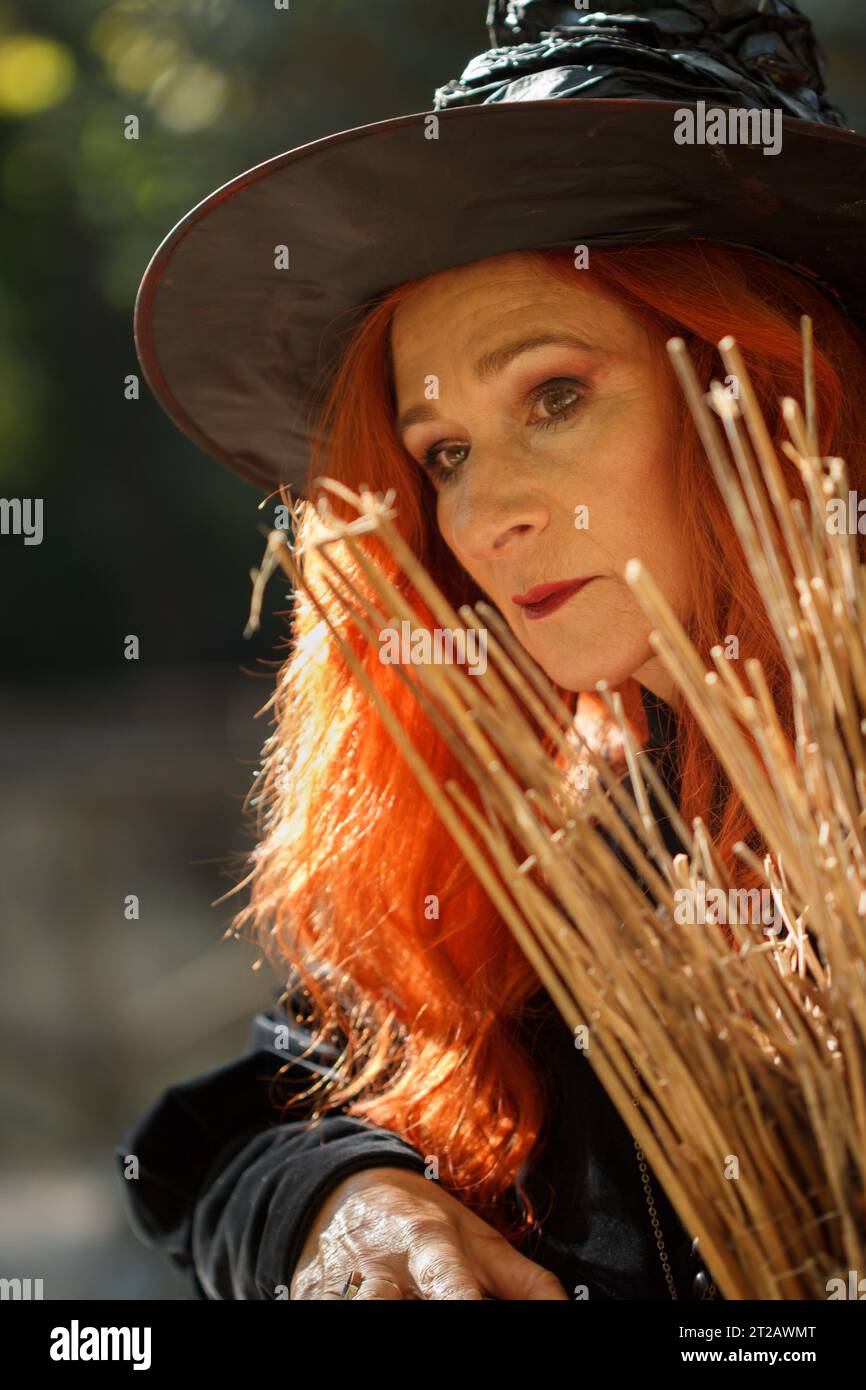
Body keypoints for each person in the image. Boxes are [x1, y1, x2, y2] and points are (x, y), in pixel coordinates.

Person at [118, 2, 866, 1299]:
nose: (483, 513)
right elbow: (245, 1125)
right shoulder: (549, 846)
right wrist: (346, 1201)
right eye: (443, 452)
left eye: (555, 395)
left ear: (772, 383)